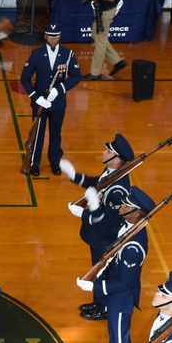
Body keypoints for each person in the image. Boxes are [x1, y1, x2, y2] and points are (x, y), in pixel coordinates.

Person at [76, 186, 153, 343]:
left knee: (119, 335)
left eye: (126, 204)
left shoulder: (133, 246)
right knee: (114, 332)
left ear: (136, 213)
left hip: (121, 295)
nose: (121, 205)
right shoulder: (126, 224)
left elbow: (126, 282)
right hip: (114, 287)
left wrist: (95, 285)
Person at [59, 134, 134, 320]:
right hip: (98, 234)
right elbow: (96, 183)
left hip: (105, 236)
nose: (103, 152)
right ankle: (98, 303)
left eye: (108, 151)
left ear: (117, 159)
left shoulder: (118, 190)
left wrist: (82, 213)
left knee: (101, 271)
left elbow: (108, 220)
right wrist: (74, 176)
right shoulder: (110, 172)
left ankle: (103, 308)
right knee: (98, 268)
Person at [20, 22, 82, 176]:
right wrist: (35, 97)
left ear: (60, 36)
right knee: (37, 133)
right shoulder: (36, 54)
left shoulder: (68, 55)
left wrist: (59, 89)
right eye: (50, 37)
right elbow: (25, 78)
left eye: (56, 37)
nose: (53, 40)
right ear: (45, 36)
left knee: (56, 133)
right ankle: (34, 163)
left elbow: (76, 76)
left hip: (58, 103)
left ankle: (55, 161)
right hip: (40, 103)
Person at [82, 0, 127, 82]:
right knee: (95, 35)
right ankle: (118, 62)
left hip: (106, 11)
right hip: (103, 9)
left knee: (100, 42)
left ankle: (95, 73)